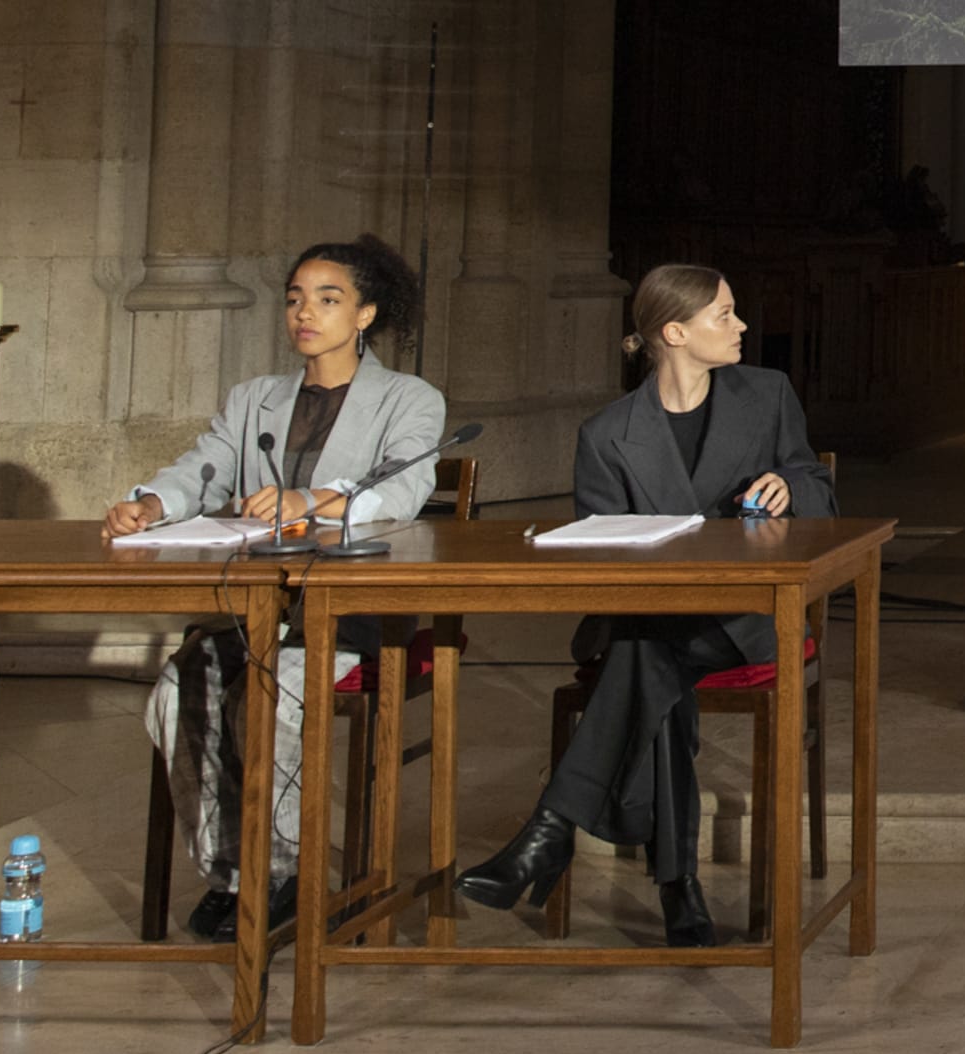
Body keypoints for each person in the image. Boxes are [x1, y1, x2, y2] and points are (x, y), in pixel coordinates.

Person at [456, 264, 831, 946]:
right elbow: (601, 560)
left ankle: (559, 834)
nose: (742, 325)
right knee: (649, 658)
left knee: (641, 659)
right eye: (725, 314)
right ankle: (672, 887)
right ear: (675, 332)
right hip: (650, 621)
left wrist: (791, 487)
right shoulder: (606, 434)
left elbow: (819, 487)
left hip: (746, 620)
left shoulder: (768, 394)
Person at [102, 234, 446, 942]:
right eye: (295, 298)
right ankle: (234, 871)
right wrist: (151, 505)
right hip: (255, 605)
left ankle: (285, 873)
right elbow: (201, 468)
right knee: (177, 691)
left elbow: (405, 489)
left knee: (273, 690)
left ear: (365, 313)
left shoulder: (408, 399)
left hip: (349, 616)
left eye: (327, 298)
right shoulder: (255, 398)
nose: (304, 313)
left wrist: (314, 500)